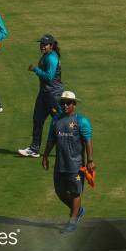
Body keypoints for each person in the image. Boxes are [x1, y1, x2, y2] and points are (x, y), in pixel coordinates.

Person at [42, 91, 94, 233]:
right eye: (62, 102)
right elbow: (51, 140)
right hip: (60, 164)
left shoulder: (81, 121)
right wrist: (45, 156)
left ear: (74, 104)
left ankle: (72, 220)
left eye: (68, 103)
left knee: (75, 192)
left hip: (76, 165)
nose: (65, 105)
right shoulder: (56, 120)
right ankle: (78, 210)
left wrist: (90, 160)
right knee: (59, 191)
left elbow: (88, 141)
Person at [19, 34, 64, 158]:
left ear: (51, 45)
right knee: (37, 119)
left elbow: (49, 77)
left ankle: (66, 148)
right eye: (41, 44)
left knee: (60, 122)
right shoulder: (47, 55)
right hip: (45, 93)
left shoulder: (51, 58)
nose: (42, 46)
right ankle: (34, 148)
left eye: (45, 45)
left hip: (53, 95)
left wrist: (35, 70)